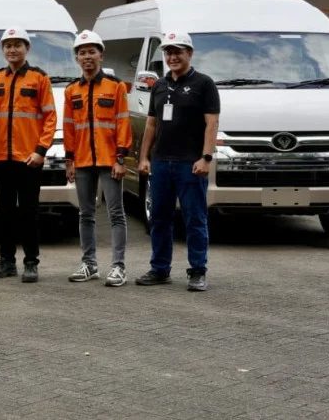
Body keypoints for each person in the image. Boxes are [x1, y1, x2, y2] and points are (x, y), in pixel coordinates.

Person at [137, 31, 220, 292]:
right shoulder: (160, 86)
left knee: (194, 218)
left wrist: (206, 158)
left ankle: (197, 271)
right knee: (159, 219)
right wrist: (144, 157)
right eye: (168, 52)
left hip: (190, 164)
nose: (172, 57)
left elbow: (212, 123)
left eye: (178, 52)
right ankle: (160, 269)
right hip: (161, 163)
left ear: (190, 53)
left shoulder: (204, 84)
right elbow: (151, 124)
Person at [0, 27, 57, 283]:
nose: (12, 50)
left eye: (18, 45)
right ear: (2, 50)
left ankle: (31, 262)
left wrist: (40, 151)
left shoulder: (39, 78)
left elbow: (50, 117)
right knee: (4, 212)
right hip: (1, 158)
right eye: (8, 45)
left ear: (27, 49)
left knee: (28, 212)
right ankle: (6, 261)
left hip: (28, 159)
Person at [64, 30, 132, 287]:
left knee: (116, 213)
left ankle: (118, 267)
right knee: (86, 214)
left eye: (92, 51)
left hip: (109, 160)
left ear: (101, 55)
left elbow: (123, 123)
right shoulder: (72, 90)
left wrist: (121, 158)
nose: (87, 56)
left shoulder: (115, 87)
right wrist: (69, 161)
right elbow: (69, 126)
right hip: (82, 161)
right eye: (82, 52)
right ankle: (89, 264)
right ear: (77, 58)